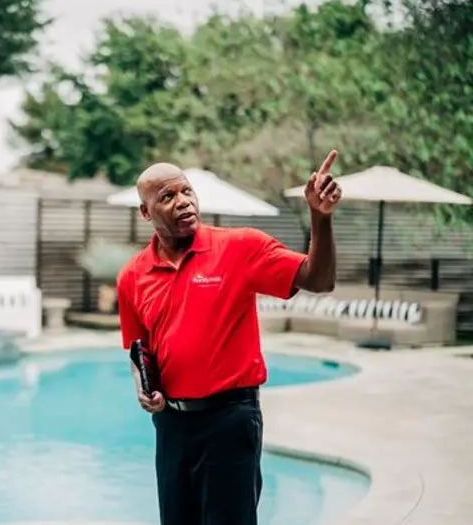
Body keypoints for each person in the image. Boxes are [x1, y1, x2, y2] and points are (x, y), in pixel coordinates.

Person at [116, 151, 343, 525]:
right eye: (167, 197)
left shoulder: (241, 247)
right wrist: (143, 386)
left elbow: (319, 279)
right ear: (146, 212)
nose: (183, 202)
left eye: (186, 191)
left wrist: (320, 217)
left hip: (229, 420)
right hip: (171, 428)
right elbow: (138, 351)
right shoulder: (132, 276)